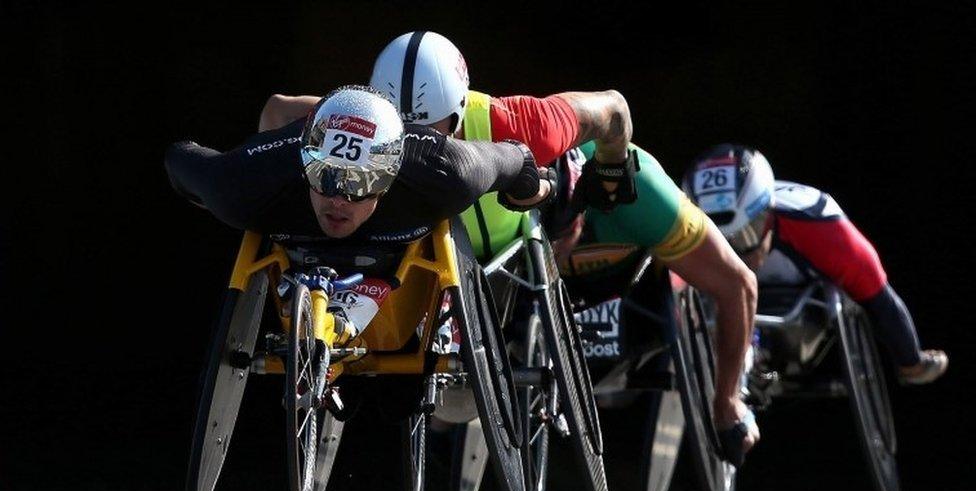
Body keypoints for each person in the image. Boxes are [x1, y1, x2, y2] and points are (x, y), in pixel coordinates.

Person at [259, 31, 759, 464]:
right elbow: (277, 110)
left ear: (456, 116)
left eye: (426, 133)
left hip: (583, 245)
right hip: (466, 267)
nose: (413, 151)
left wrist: (726, 402)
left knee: (712, 281)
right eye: (399, 135)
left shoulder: (532, 128)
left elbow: (737, 283)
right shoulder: (362, 120)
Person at [682, 143, 948, 385]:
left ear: (769, 212)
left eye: (749, 232)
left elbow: (878, 295)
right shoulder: (681, 227)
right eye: (723, 240)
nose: (738, 251)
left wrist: (910, 361)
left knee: (866, 285)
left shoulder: (822, 230)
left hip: (804, 293)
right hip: (719, 287)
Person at [165, 85, 553, 246]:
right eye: (325, 177)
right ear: (304, 164)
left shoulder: (446, 169)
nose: (337, 200)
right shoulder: (240, 185)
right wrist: (212, 200)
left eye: (359, 183)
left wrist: (533, 191)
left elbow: (517, 156)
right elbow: (180, 158)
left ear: (388, 179)